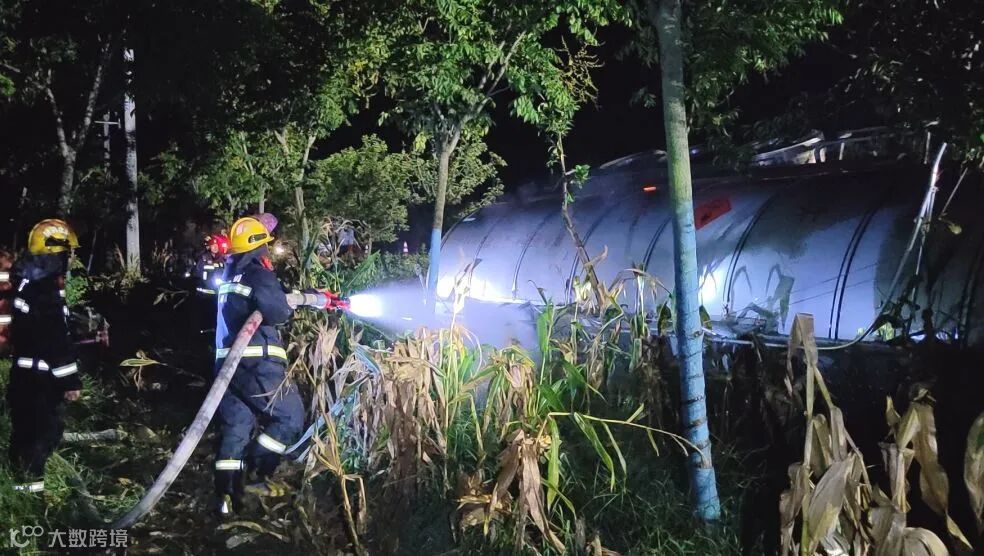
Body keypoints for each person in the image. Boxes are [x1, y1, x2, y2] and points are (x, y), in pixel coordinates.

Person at [212, 216, 302, 517]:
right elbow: (278, 312)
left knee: (236, 428)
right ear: (258, 247)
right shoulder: (257, 274)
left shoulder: (231, 276)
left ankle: (226, 497)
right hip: (257, 366)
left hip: (228, 370)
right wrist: (289, 301)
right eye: (265, 245)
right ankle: (256, 473)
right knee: (291, 417)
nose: (268, 251)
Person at [3, 219, 82, 494]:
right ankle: (32, 502)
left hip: (22, 376)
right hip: (40, 382)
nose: (69, 259)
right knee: (40, 440)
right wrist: (70, 382)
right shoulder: (46, 291)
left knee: (24, 439)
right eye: (66, 253)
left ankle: (22, 497)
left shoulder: (25, 284)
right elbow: (55, 340)